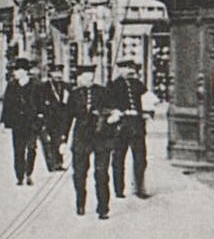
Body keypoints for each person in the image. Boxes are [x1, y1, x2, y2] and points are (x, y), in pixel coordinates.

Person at [67, 62, 117, 220]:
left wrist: (108, 116)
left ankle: (103, 208)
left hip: (101, 137)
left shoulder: (103, 92)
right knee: (80, 173)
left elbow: (113, 110)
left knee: (101, 173)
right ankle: (80, 203)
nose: (88, 79)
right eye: (84, 76)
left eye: (90, 76)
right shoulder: (74, 94)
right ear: (79, 78)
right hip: (81, 137)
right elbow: (67, 118)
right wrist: (62, 140)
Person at [108, 59, 150, 200]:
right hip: (122, 125)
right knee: (119, 157)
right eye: (125, 68)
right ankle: (119, 189)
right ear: (119, 70)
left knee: (140, 157)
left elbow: (147, 99)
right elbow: (109, 105)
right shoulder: (113, 85)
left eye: (130, 68)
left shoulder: (138, 84)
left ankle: (139, 187)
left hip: (137, 124)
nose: (129, 71)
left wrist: (147, 111)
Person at [0, 57, 40, 186]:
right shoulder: (11, 85)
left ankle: (29, 173)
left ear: (23, 71)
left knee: (32, 148)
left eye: (16, 70)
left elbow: (41, 103)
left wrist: (41, 117)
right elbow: (7, 104)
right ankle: (19, 176)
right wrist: (3, 121)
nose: (14, 73)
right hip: (17, 123)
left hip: (32, 122)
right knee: (18, 150)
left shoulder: (36, 85)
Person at [35, 63, 72, 172]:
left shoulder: (66, 87)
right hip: (48, 117)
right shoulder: (43, 87)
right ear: (50, 74)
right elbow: (39, 102)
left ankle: (59, 162)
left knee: (60, 140)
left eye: (60, 73)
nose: (58, 75)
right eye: (55, 73)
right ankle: (52, 164)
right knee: (48, 141)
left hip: (63, 117)